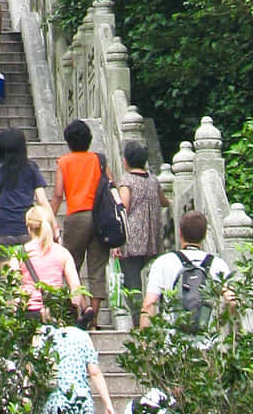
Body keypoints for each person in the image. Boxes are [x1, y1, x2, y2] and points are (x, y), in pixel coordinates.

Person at [37, 318, 115, 414]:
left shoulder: (46, 335)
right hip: (82, 402)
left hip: (58, 402)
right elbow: (94, 372)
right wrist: (108, 404)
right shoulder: (83, 337)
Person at [53, 122, 110, 331]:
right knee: (97, 269)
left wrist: (50, 217)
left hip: (76, 217)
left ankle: (74, 314)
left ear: (68, 141)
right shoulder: (98, 160)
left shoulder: (64, 162)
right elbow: (109, 185)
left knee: (71, 266)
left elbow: (59, 194)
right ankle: (94, 321)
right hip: (100, 218)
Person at [140, 209, 234, 331]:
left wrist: (144, 343)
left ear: (180, 233)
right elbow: (232, 302)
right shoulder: (218, 264)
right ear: (205, 235)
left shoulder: (164, 262)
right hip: (208, 343)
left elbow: (149, 304)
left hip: (174, 344)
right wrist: (220, 324)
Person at [0, 127, 50, 256]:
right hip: (28, 228)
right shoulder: (31, 167)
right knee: (29, 273)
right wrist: (53, 227)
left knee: (8, 274)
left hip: (2, 230)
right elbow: (42, 200)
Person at [116, 139, 163, 323]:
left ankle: (138, 321)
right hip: (152, 238)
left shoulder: (127, 180)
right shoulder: (153, 180)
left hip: (132, 238)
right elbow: (163, 201)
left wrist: (116, 241)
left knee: (133, 282)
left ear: (125, 160)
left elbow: (123, 208)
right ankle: (153, 316)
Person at [18, 205, 88, 319]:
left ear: (28, 227)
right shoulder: (63, 253)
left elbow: (13, 289)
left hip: (29, 313)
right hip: (56, 312)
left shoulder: (19, 253)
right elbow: (76, 290)